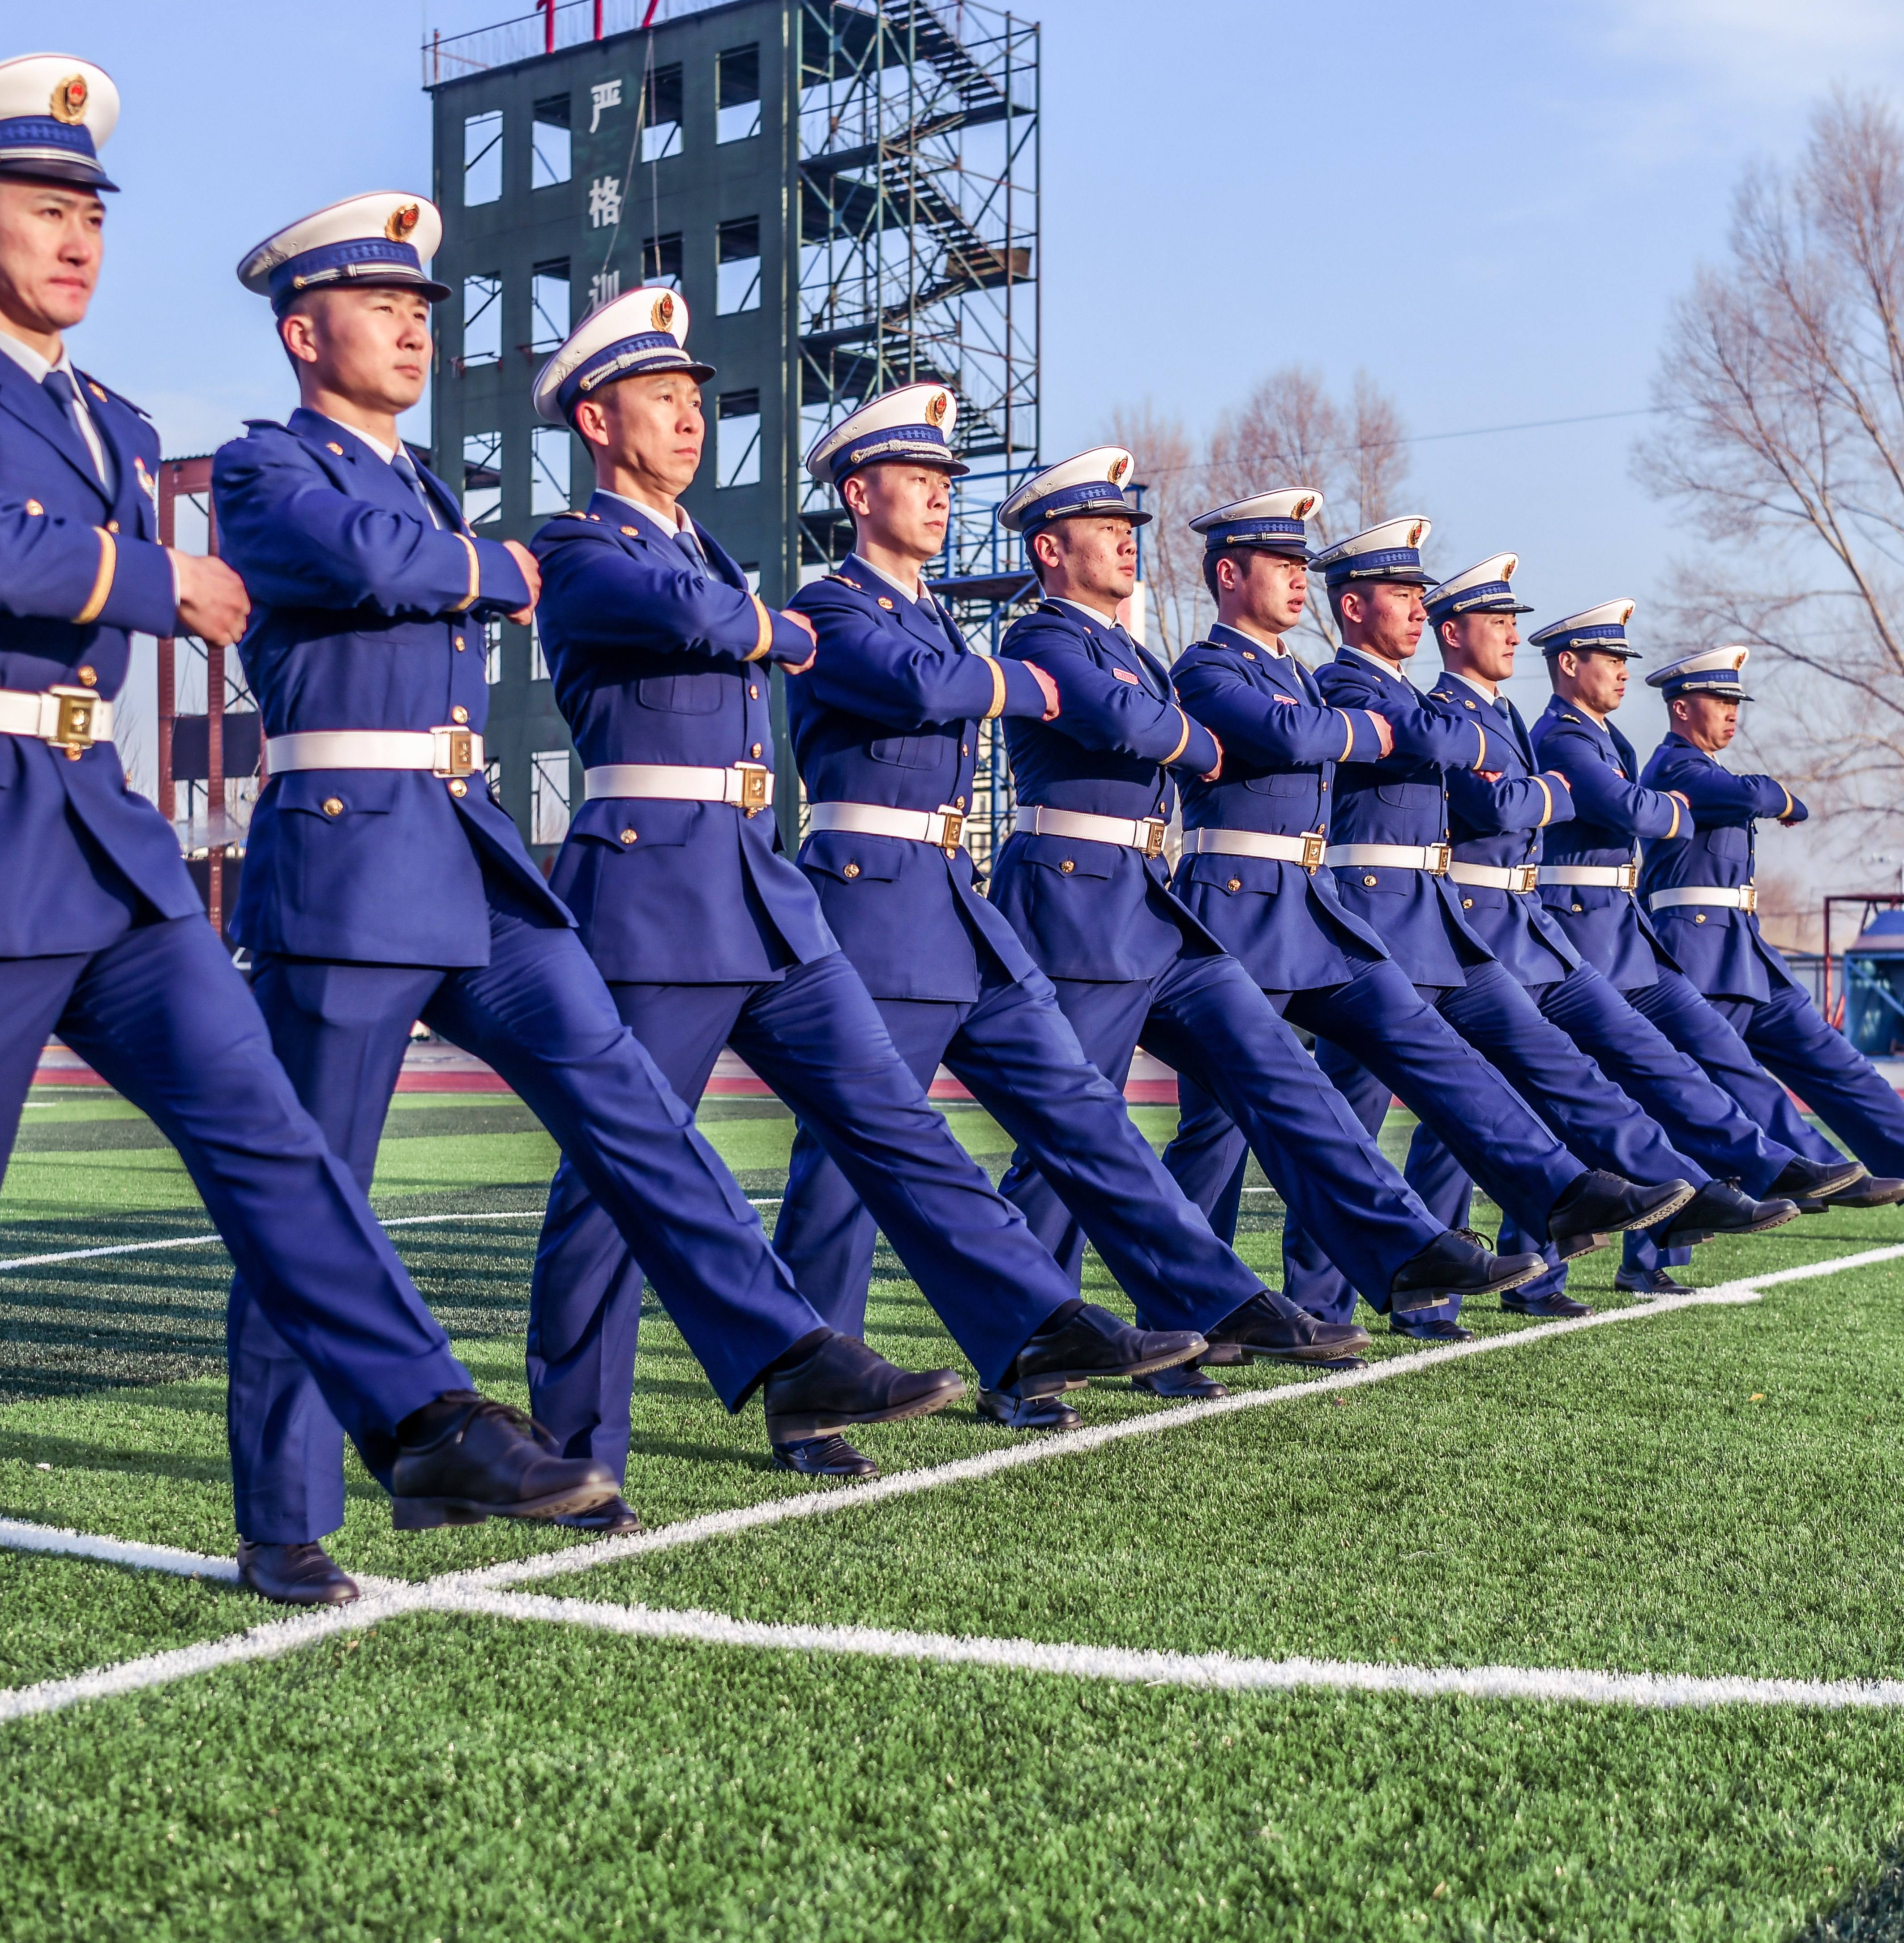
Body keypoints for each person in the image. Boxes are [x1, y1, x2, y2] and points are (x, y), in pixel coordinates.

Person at [0, 60, 607, 1707]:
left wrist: (148, 580)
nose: (79, 238)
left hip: (103, 832)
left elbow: (60, 556)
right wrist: (170, 577)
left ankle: (422, 1421)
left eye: (95, 211)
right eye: (46, 207)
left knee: (272, 1139)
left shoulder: (115, 423)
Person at [207, 199, 966, 1588]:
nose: (414, 331)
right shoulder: (265, 472)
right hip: (340, 857)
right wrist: (494, 568)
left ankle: (784, 1348)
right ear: (304, 333)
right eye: (385, 309)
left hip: (465, 845)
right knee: (316, 1195)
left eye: (423, 311)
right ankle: (286, 1515)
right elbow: (378, 568)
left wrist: (481, 564)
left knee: (622, 1098)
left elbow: (423, 563)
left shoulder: (432, 487)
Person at [519, 293, 1206, 1493]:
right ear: (595, 416)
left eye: (696, 399)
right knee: (618, 1172)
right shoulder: (585, 548)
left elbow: (734, 622)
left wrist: (763, 627)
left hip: (759, 884)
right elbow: (704, 621)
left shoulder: (710, 559)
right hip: (648, 887)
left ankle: (1030, 1321)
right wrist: (767, 628)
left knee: (890, 1118)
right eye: (663, 398)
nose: (690, 418)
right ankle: (578, 1447)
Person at [770, 389, 1367, 1425]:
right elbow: (923, 688)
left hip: (956, 900)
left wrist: (999, 680)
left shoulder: (936, 619)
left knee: (1079, 1115)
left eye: (946, 482)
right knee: (848, 1157)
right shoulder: (832, 607)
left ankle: (1179, 1305)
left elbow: (977, 685)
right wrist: (1019, 683)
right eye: (918, 480)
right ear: (858, 492)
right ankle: (813, 1386)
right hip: (873, 899)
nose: (938, 497)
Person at [987, 448, 1554, 1399]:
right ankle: (1024, 1351)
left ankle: (1395, 1253)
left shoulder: (1131, 652)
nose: (1128, 545)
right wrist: (1204, 735)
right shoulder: (1046, 638)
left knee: (1279, 1076)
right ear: (1049, 548)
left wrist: (1193, 734)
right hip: (1076, 900)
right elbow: (1145, 730)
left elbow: (1169, 724)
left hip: (1149, 901)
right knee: (1069, 1141)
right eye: (1107, 531)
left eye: (1132, 531)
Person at [1156, 487, 1692, 1326]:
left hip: (1317, 909)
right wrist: (1385, 736)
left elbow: (1387, 740)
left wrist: (1422, 740)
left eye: (1303, 563)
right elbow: (1310, 741)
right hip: (1235, 911)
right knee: (1221, 1131)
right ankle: (1196, 1314)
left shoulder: (1298, 676)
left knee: (1436, 1057)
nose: (1297, 579)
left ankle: (1556, 1194)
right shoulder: (1209, 668)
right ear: (1230, 574)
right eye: (1282, 564)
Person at [1294, 533, 1791, 1336]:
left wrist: (1531, 789)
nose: (1511, 634)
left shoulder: (1469, 711)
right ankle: (1327, 1301)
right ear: (1356, 606)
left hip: (1446, 919)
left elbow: (1497, 785)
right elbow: (1488, 799)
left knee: (1510, 1078)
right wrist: (1541, 789)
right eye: (1494, 619)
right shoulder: (1357, 684)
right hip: (1371, 916)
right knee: (1349, 1118)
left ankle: (1669, 1189)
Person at [1395, 559, 1857, 1305]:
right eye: (1498, 622)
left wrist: (1564, 800)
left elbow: (1557, 808)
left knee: (1619, 1068)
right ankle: (1437, 1286)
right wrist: (1598, 801)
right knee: (1464, 1114)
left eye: (1516, 622)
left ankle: (1733, 1174)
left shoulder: (1514, 719)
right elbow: (1508, 812)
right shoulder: (1493, 720)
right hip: (1479, 926)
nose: (1511, 634)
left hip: (1535, 928)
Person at [1633, 644, 1904, 1216]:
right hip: (1694, 954)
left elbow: (1767, 802)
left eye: (1735, 700)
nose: (1732, 711)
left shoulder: (1705, 771)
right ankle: (1660, 1254)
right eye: (1720, 700)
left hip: (1744, 951)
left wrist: (1779, 799)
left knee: (1835, 1061)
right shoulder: (1672, 767)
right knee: (1701, 1096)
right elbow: (1752, 796)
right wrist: (1780, 796)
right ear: (1681, 707)